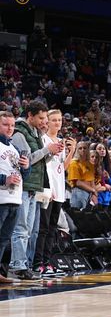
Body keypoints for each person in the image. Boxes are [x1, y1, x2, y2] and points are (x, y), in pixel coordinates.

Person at [9, 100, 58, 279]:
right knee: (21, 229)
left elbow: (39, 163)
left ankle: (24, 264)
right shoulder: (20, 132)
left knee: (29, 229)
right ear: (30, 115)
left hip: (33, 186)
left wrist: (51, 153)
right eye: (41, 117)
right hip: (23, 185)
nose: (43, 121)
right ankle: (17, 266)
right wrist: (47, 149)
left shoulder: (35, 133)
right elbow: (27, 160)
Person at [34, 109, 76, 277]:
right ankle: (38, 264)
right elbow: (43, 166)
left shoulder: (60, 141)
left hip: (59, 190)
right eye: (54, 120)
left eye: (59, 120)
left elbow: (62, 168)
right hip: (46, 190)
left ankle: (48, 263)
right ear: (47, 122)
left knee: (53, 228)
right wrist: (47, 188)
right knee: (43, 228)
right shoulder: (43, 139)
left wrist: (71, 151)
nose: (57, 123)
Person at [0, 111, 29, 282]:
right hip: (1, 199)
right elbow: (7, 176)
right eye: (5, 124)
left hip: (15, 199)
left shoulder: (14, 148)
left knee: (4, 240)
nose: (10, 128)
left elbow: (23, 176)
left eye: (12, 125)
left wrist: (26, 168)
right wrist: (5, 179)